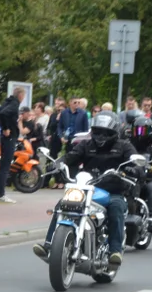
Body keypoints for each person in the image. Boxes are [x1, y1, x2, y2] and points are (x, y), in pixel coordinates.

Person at [32, 111, 140, 267]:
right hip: (88, 188)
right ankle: (49, 244)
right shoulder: (86, 144)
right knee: (63, 204)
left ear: (114, 132)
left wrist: (134, 170)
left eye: (105, 133)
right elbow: (71, 156)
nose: (101, 136)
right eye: (97, 132)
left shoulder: (124, 146)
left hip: (113, 191)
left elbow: (136, 163)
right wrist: (57, 163)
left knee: (116, 208)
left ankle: (114, 252)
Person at [128, 116, 152, 225]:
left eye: (143, 130)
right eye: (137, 130)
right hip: (130, 176)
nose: (139, 133)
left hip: (148, 177)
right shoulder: (127, 143)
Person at [0, 85, 25, 203]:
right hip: (10, 137)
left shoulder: (7, 102)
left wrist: (2, 126)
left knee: (3, 165)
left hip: (5, 136)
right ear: (21, 95)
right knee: (5, 165)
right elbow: (3, 114)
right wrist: (6, 128)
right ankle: (0, 193)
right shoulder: (14, 104)